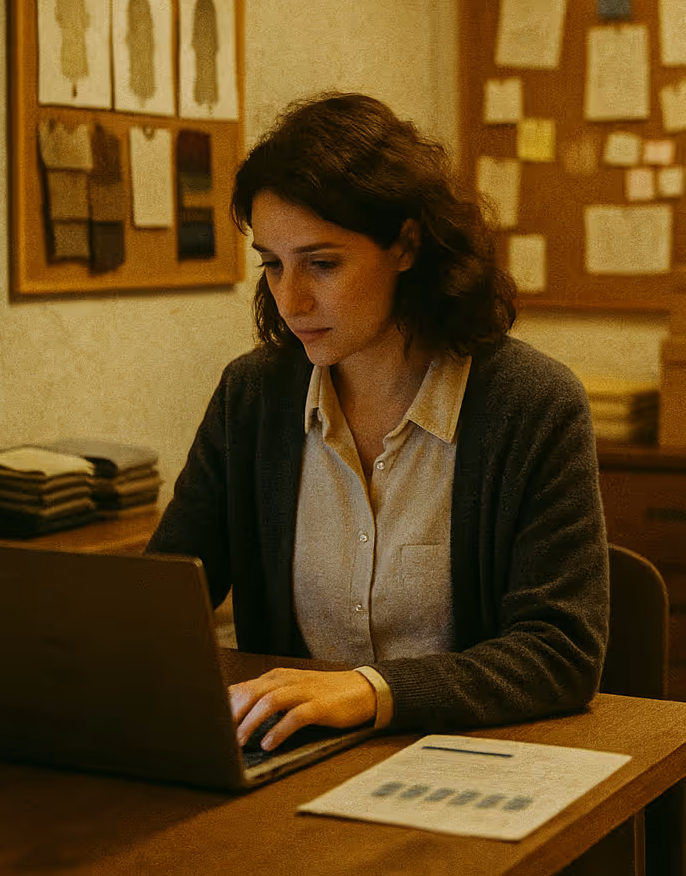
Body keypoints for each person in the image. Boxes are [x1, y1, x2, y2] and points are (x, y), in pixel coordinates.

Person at [148, 93, 608, 750]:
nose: (291, 300)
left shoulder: (531, 404)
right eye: (273, 265)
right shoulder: (251, 398)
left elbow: (561, 653)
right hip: (293, 765)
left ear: (407, 245)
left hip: (469, 763)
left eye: (323, 263)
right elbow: (170, 598)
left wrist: (370, 691)